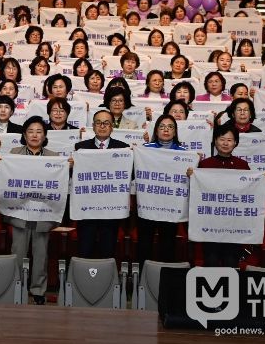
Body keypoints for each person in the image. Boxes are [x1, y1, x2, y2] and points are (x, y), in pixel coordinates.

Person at [3, 116, 60, 305]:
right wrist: (0, 163)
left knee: (41, 254)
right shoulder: (14, 154)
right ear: (24, 134)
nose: (35, 135)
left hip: (43, 212)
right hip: (20, 210)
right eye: (30, 131)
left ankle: (38, 290)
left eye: (39, 131)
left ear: (45, 135)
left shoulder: (54, 157)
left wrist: (66, 167)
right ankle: (15, 287)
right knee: (17, 252)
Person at [188, 122, 250, 267]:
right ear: (215, 141)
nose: (225, 143)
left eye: (229, 140)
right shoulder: (205, 164)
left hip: (234, 226)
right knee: (211, 262)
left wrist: (262, 179)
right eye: (222, 139)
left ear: (235, 143)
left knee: (231, 263)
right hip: (210, 225)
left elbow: (250, 190)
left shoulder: (243, 165)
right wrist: (192, 175)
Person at [74, 109, 130, 259]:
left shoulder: (123, 148)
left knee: (108, 250)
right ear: (93, 126)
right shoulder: (80, 147)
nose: (102, 126)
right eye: (98, 123)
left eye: (106, 123)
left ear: (112, 127)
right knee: (85, 250)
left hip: (110, 209)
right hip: (87, 209)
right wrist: (72, 165)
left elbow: (128, 176)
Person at [138, 114, 186, 266]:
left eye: (170, 127)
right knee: (145, 243)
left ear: (175, 131)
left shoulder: (185, 152)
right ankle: (143, 277)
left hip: (171, 206)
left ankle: (165, 277)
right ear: (156, 130)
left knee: (168, 244)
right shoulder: (144, 149)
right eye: (162, 126)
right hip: (148, 204)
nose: (166, 130)